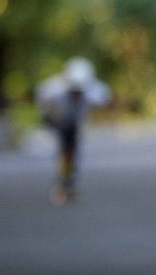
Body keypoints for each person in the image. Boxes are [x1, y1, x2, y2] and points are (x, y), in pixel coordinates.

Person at [36, 57, 111, 204]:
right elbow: (44, 104)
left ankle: (68, 181)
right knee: (65, 150)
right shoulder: (52, 90)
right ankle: (62, 184)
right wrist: (48, 119)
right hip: (57, 119)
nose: (76, 95)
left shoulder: (94, 91)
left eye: (79, 92)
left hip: (74, 121)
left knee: (72, 151)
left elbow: (104, 100)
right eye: (73, 91)